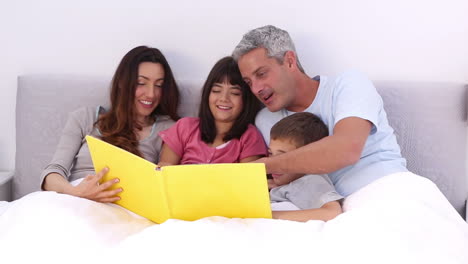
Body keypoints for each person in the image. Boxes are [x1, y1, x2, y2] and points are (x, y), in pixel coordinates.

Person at [232, 25, 407, 197]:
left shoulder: (349, 85)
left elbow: (346, 150)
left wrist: (266, 165)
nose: (255, 89)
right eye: (248, 82)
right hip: (334, 210)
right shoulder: (266, 120)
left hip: (389, 187)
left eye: (261, 74)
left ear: (290, 61)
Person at [41, 46, 180, 202]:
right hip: (74, 199)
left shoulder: (168, 128)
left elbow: (165, 186)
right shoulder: (84, 118)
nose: (151, 94)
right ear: (122, 82)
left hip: (124, 207)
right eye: (141, 83)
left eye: (159, 85)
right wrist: (76, 192)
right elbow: (52, 173)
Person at [158, 56, 267, 165]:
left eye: (235, 93)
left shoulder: (250, 137)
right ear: (207, 93)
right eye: (216, 90)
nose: (224, 98)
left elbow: (249, 180)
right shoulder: (184, 128)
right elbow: (164, 173)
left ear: (246, 99)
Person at [268, 112, 343, 222]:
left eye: (281, 157)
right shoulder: (286, 182)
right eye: (270, 154)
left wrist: (268, 215)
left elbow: (332, 212)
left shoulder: (311, 180)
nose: (272, 162)